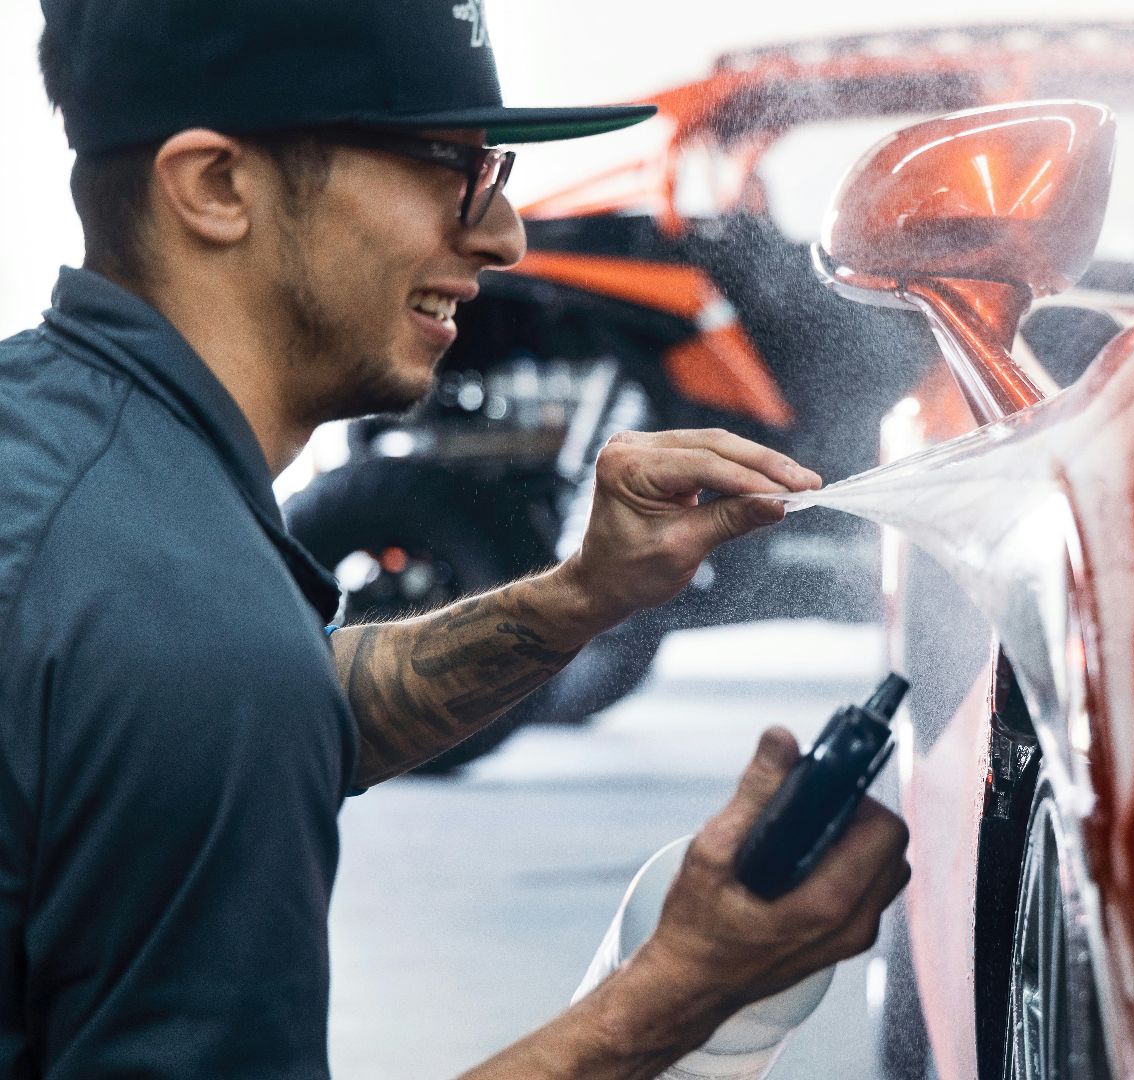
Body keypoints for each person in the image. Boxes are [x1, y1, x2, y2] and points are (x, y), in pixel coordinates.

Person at [0, 0, 910, 1076]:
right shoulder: (185, 622)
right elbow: (222, 693)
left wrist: (581, 594)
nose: (503, 235)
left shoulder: (64, 469)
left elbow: (274, 706)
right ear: (216, 187)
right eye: (449, 168)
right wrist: (683, 993)